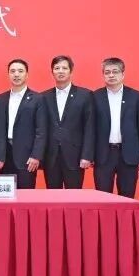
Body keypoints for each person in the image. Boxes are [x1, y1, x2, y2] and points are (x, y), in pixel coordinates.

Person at [92, 57, 139, 197]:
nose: (111, 75)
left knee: (127, 197)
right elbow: (90, 128)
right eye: (107, 72)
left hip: (129, 154)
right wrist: (89, 154)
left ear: (123, 74)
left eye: (115, 71)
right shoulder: (94, 96)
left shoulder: (137, 97)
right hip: (103, 154)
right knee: (102, 198)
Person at [42, 55, 94, 189]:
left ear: (71, 71)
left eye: (64, 68)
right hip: (51, 157)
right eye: (57, 68)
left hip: (75, 156)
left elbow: (90, 127)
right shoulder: (43, 97)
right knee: (53, 197)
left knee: (74, 197)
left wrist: (86, 155)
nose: (60, 71)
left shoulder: (85, 95)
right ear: (52, 72)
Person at [0, 59, 46, 189]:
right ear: (8, 74)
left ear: (27, 74)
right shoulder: (0, 99)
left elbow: (41, 130)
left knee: (26, 196)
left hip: (27, 157)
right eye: (13, 71)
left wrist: (36, 156)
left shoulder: (37, 99)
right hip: (5, 156)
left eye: (20, 71)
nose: (16, 74)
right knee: (5, 195)